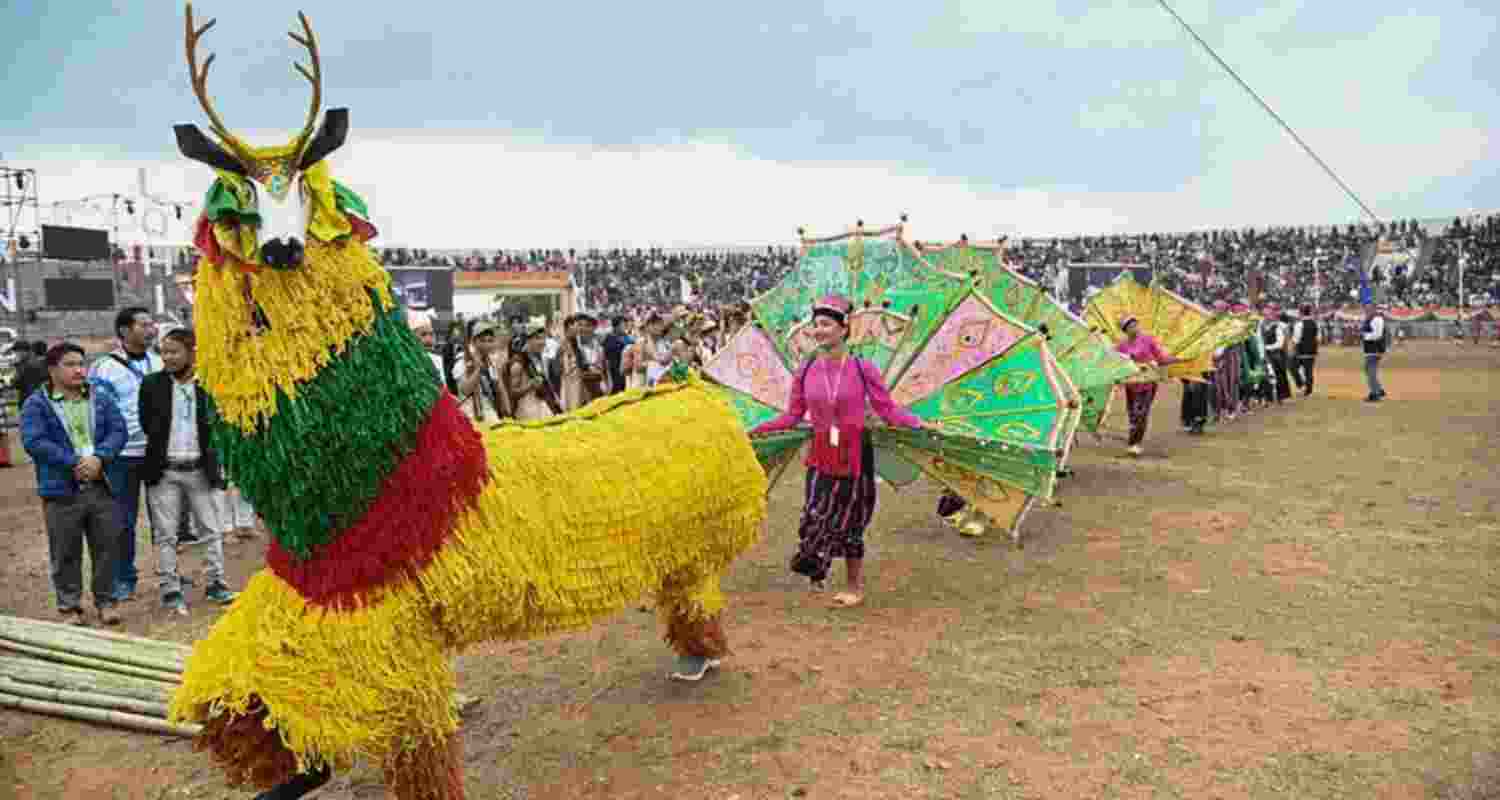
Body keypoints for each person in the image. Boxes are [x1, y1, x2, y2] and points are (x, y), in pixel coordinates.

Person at [750, 295, 936, 608]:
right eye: (815, 325)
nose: (818, 331)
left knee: (851, 523)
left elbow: (888, 411)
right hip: (821, 453)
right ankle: (817, 568)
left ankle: (853, 587)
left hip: (854, 457)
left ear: (843, 328)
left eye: (825, 324)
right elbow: (792, 416)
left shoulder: (864, 369)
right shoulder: (806, 368)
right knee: (814, 515)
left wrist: (920, 425)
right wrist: (755, 431)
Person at [20, 342, 128, 626]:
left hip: (101, 484)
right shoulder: (37, 403)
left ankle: (107, 602)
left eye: (81, 363)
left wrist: (100, 458)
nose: (79, 369)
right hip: (61, 489)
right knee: (65, 550)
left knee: (106, 546)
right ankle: (69, 606)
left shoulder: (100, 397)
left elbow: (119, 431)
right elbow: (34, 441)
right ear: (52, 369)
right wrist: (74, 463)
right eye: (70, 364)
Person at [138, 329, 238, 616]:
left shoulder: (210, 384)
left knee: (210, 529)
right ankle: (170, 588)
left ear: (192, 352)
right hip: (164, 470)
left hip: (200, 469)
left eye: (174, 351)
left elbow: (220, 424)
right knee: (166, 533)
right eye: (164, 352)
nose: (167, 357)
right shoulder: (151, 385)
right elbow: (147, 424)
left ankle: (215, 582)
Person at [88, 306, 162, 602]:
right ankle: (123, 578)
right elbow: (96, 413)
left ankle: (168, 574)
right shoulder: (104, 368)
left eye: (150, 323)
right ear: (124, 331)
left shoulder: (159, 362)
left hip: (157, 453)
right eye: (143, 324)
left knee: (166, 520)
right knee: (122, 520)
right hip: (121, 457)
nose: (150, 329)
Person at [1115, 316, 1182, 457]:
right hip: (1132, 384)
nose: (1135, 327)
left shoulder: (1148, 340)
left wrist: (1174, 360)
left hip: (1148, 383)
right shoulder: (1122, 345)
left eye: (1135, 324)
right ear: (1125, 330)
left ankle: (1135, 443)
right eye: (1130, 326)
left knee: (1142, 412)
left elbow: (1160, 357)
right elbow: (1116, 362)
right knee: (1132, 412)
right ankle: (1133, 439)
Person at [452, 319, 508, 424]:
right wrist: (477, 369)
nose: (487, 344)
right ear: (474, 341)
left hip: (493, 413)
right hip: (471, 416)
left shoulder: (491, 362)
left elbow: (500, 387)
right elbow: (464, 390)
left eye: (490, 340)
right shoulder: (463, 361)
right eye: (483, 340)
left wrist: (507, 411)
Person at [505, 327, 562, 420]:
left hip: (544, 407)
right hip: (527, 412)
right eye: (537, 338)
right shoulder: (518, 363)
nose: (542, 342)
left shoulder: (538, 358)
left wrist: (555, 397)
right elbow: (512, 393)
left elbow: (545, 382)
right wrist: (530, 385)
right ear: (528, 340)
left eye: (544, 338)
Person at [1291, 305, 1319, 397]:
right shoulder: (1316, 324)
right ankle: (1308, 390)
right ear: (1310, 312)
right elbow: (1318, 338)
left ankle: (1300, 383)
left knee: (1292, 367)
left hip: (1301, 351)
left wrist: (1294, 349)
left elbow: (1296, 340)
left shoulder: (1299, 324)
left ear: (1301, 313)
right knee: (1309, 371)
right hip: (1311, 352)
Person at [1361, 302, 1387, 402]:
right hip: (1371, 349)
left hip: (1374, 349)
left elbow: (1377, 334)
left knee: (1370, 371)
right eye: (1366, 309)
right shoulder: (1372, 318)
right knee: (1369, 370)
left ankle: (1375, 393)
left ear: (1373, 309)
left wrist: (1365, 336)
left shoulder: (1377, 319)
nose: (1366, 311)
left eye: (1368, 309)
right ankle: (1378, 390)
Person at [602, 316, 632, 396]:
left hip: (625, 368)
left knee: (623, 388)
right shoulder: (609, 338)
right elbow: (605, 355)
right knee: (615, 389)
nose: (625, 326)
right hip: (613, 368)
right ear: (616, 326)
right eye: (623, 324)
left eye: (625, 324)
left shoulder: (626, 337)